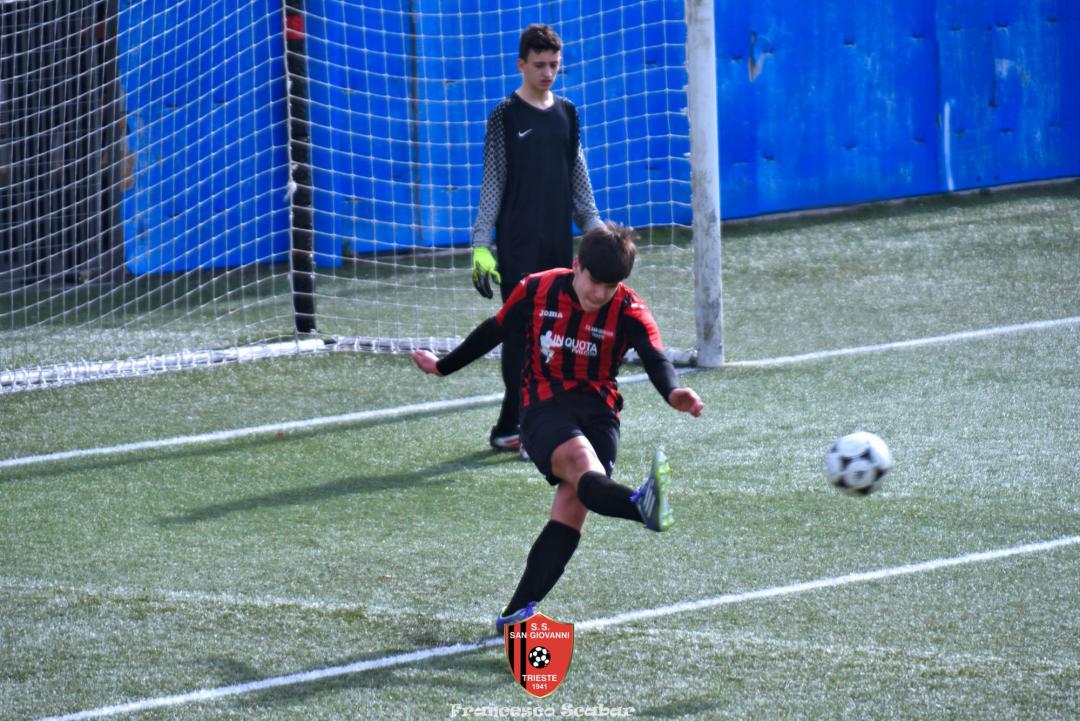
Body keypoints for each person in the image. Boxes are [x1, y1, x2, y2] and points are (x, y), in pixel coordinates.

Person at [414, 223, 704, 633]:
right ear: (576, 265)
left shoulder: (630, 309)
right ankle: (641, 505)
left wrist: (673, 392)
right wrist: (442, 366)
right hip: (543, 404)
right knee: (582, 464)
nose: (600, 293)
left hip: (600, 413)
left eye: (610, 285)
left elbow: (656, 358)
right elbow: (495, 329)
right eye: (594, 280)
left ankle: (516, 613)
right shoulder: (537, 289)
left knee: (573, 506)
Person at [470, 23, 604, 452]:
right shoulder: (504, 115)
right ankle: (527, 427)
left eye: (554, 65)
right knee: (521, 335)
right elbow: (492, 182)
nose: (548, 73)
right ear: (521, 65)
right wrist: (481, 244)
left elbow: (578, 178)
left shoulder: (567, 112)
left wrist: (597, 229)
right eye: (540, 64)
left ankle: (509, 427)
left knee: (552, 335)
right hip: (517, 245)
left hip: (557, 245)